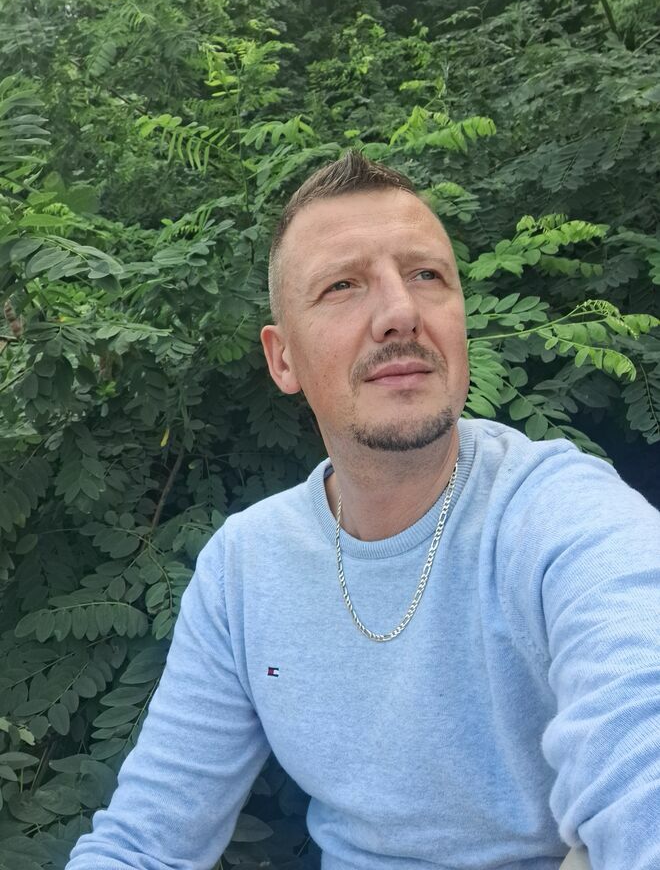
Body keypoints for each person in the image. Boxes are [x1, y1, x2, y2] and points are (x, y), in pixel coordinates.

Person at [65, 152, 660, 870]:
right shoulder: (244, 568)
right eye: (342, 286)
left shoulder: (560, 515)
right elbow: (144, 845)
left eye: (427, 275)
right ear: (282, 359)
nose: (401, 312)